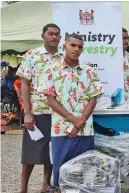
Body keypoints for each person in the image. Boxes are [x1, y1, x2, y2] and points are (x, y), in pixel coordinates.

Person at [37, 33, 104, 192]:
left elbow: (93, 99)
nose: (76, 49)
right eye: (72, 45)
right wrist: (73, 119)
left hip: (85, 130)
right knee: (62, 172)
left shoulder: (89, 72)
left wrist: (80, 122)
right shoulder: (51, 70)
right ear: (64, 46)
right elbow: (50, 100)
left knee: (86, 172)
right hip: (61, 130)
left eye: (80, 47)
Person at [15, 23, 64, 193]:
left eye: (57, 34)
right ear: (43, 36)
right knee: (30, 152)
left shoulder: (64, 56)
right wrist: (27, 113)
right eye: (50, 34)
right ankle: (23, 188)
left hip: (59, 112)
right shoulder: (32, 55)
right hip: (37, 110)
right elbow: (24, 84)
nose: (54, 37)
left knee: (52, 150)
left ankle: (45, 183)